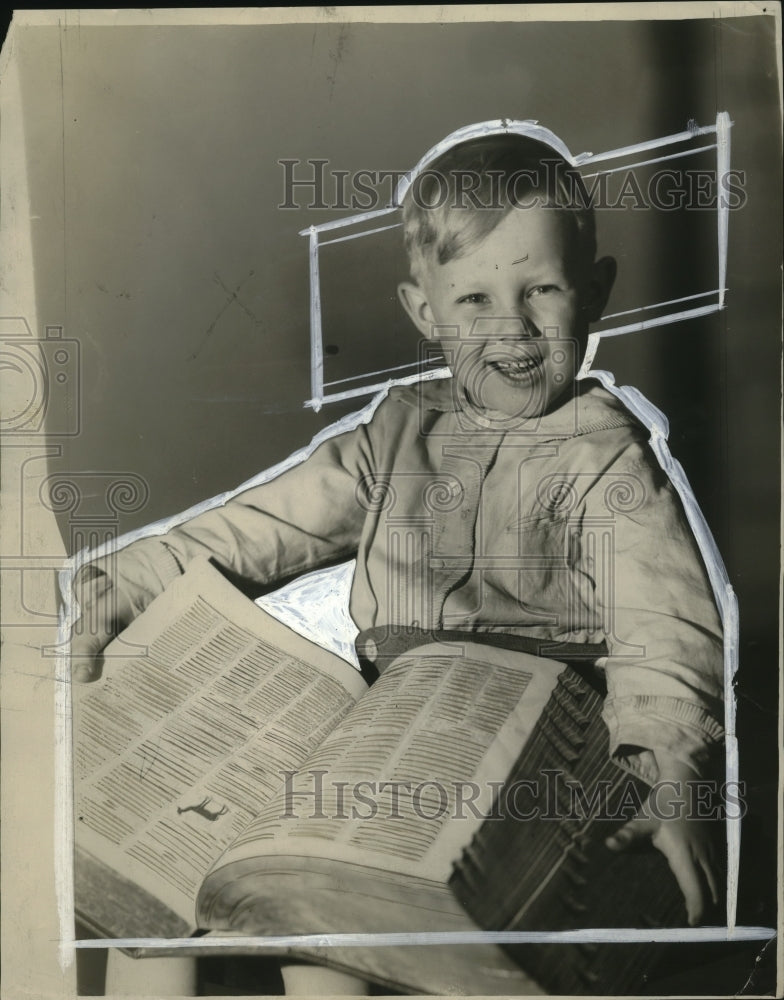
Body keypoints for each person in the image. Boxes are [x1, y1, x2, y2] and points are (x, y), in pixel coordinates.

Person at [70, 129, 725, 992]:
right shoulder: (396, 435)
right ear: (425, 313)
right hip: (392, 736)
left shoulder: (607, 459)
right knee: (162, 893)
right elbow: (247, 531)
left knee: (331, 940)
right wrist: (113, 589)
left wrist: (669, 775)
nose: (512, 328)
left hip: (528, 751)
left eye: (543, 289)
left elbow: (664, 634)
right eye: (475, 301)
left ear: (595, 292)